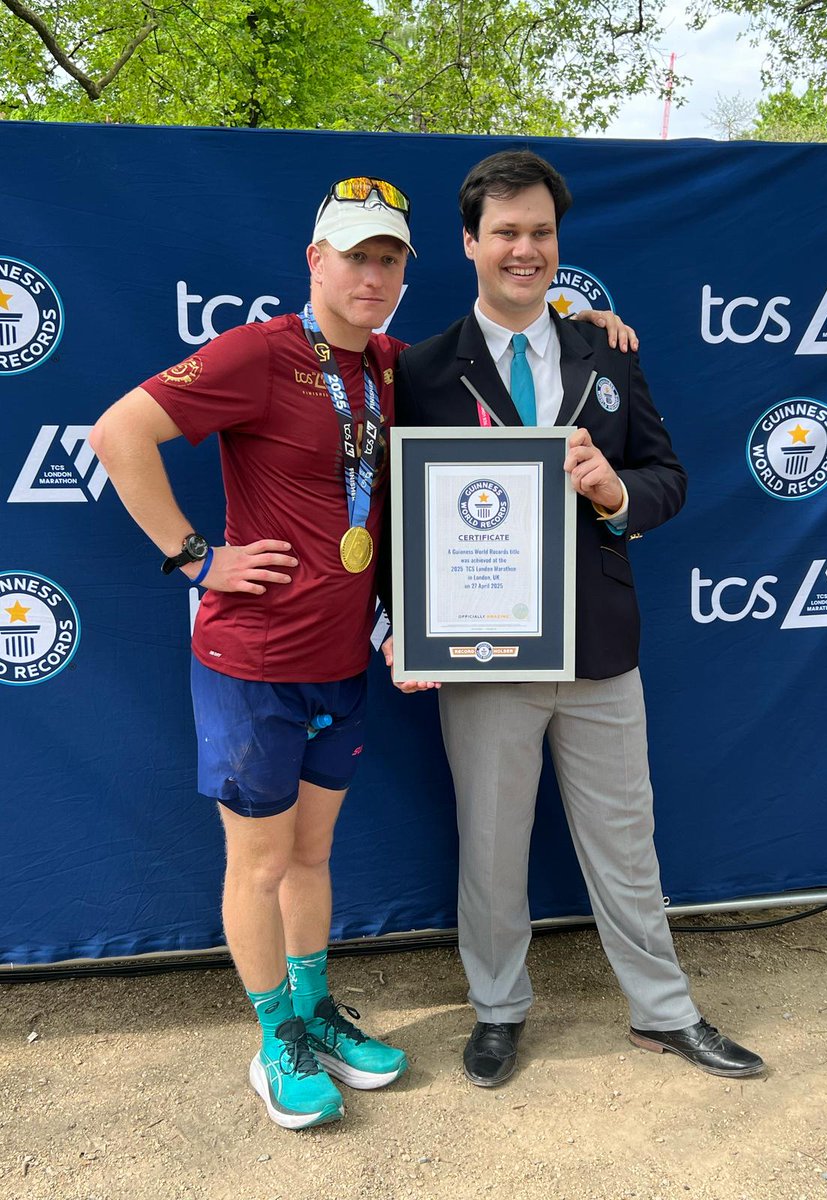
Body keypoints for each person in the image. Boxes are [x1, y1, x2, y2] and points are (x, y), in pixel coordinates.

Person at [90, 174, 635, 1131]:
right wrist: (195, 558)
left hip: (342, 658)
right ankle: (274, 1040)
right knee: (257, 863)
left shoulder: (390, 365)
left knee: (311, 854)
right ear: (316, 260)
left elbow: (504, 336)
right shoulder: (258, 353)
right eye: (355, 255)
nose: (373, 274)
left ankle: (310, 1009)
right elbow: (119, 431)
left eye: (389, 258)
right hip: (252, 660)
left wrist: (576, 313)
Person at [390, 150, 765, 1087]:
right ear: (470, 243)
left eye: (541, 233)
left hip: (599, 647)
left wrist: (614, 491)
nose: (525, 250)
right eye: (506, 232)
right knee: (490, 843)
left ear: (559, 242)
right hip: (480, 654)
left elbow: (670, 480)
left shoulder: (609, 351)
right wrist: (401, 618)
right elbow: (395, 512)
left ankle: (662, 1012)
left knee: (626, 839)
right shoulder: (422, 369)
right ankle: (498, 1009)